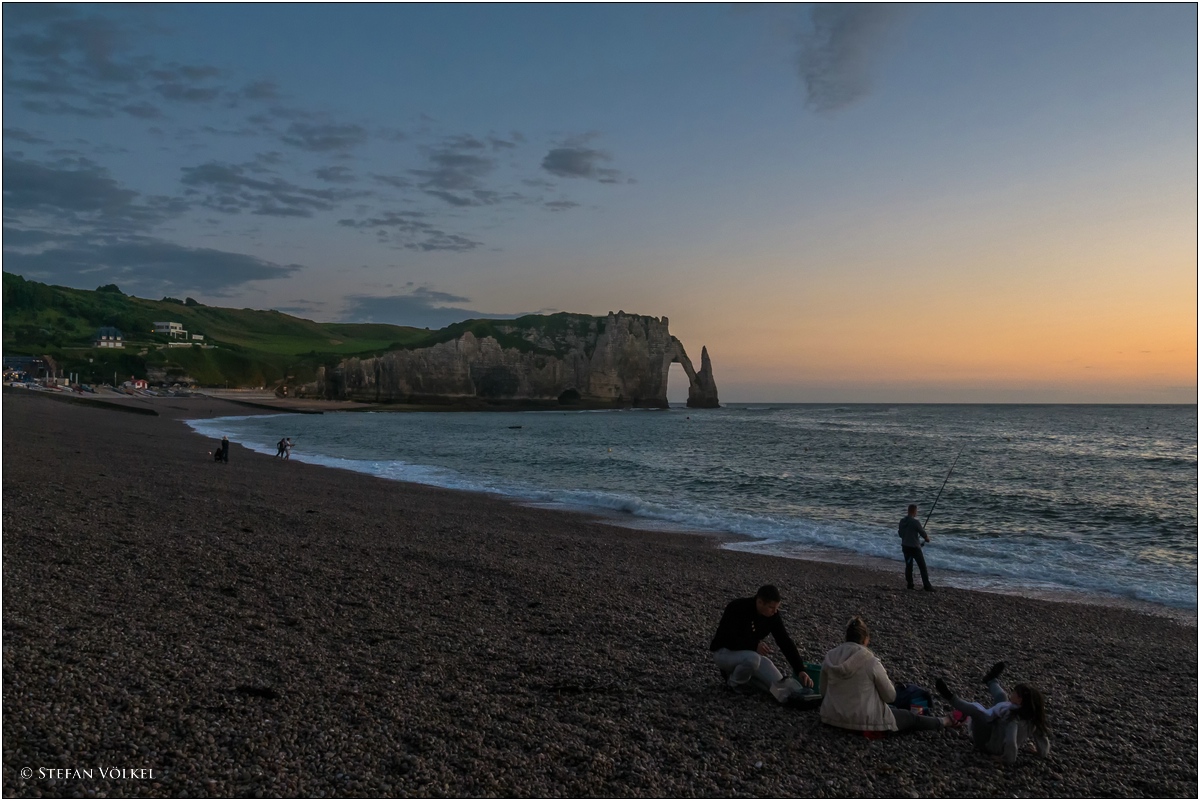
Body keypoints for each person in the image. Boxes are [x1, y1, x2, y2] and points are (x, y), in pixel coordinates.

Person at [820, 616, 956, 734]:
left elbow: (823, 691)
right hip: (865, 721)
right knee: (911, 717)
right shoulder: (870, 661)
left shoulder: (830, 657)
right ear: (866, 639)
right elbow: (890, 697)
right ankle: (944, 721)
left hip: (831, 717)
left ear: (846, 637)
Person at [709, 584, 815, 697]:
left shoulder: (772, 616)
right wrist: (754, 645)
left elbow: (784, 641)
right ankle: (733, 684)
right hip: (724, 652)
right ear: (760, 602)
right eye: (771, 607)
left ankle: (746, 679)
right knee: (753, 659)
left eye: (777, 608)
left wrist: (800, 669)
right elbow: (727, 638)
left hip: (748, 653)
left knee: (778, 684)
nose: (774, 611)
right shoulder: (737, 607)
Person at [936, 663, 1050, 764]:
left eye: (1014, 692)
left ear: (1019, 700)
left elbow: (1010, 740)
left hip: (989, 744)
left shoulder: (1013, 718)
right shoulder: (1033, 716)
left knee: (977, 713)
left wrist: (1007, 758)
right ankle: (991, 680)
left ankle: (950, 697)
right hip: (996, 733)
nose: (1012, 693)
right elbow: (1041, 735)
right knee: (1002, 697)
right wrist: (1042, 752)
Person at [899, 503, 934, 591]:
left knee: (909, 566)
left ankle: (910, 584)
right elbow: (923, 533)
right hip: (914, 548)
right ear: (914, 511)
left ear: (908, 511)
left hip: (905, 547)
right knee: (922, 567)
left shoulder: (902, 521)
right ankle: (927, 586)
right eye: (916, 511)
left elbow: (900, 534)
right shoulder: (915, 522)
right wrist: (927, 539)